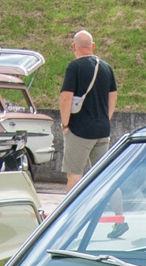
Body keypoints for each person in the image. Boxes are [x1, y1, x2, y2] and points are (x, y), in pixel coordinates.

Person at [59, 30, 118, 190]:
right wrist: (106, 117)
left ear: (74, 47)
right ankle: (114, 211)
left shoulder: (74, 67)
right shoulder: (107, 68)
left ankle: (71, 212)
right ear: (93, 46)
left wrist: (65, 124)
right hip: (102, 129)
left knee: (74, 174)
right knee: (102, 175)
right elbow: (113, 96)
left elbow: (66, 98)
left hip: (79, 130)